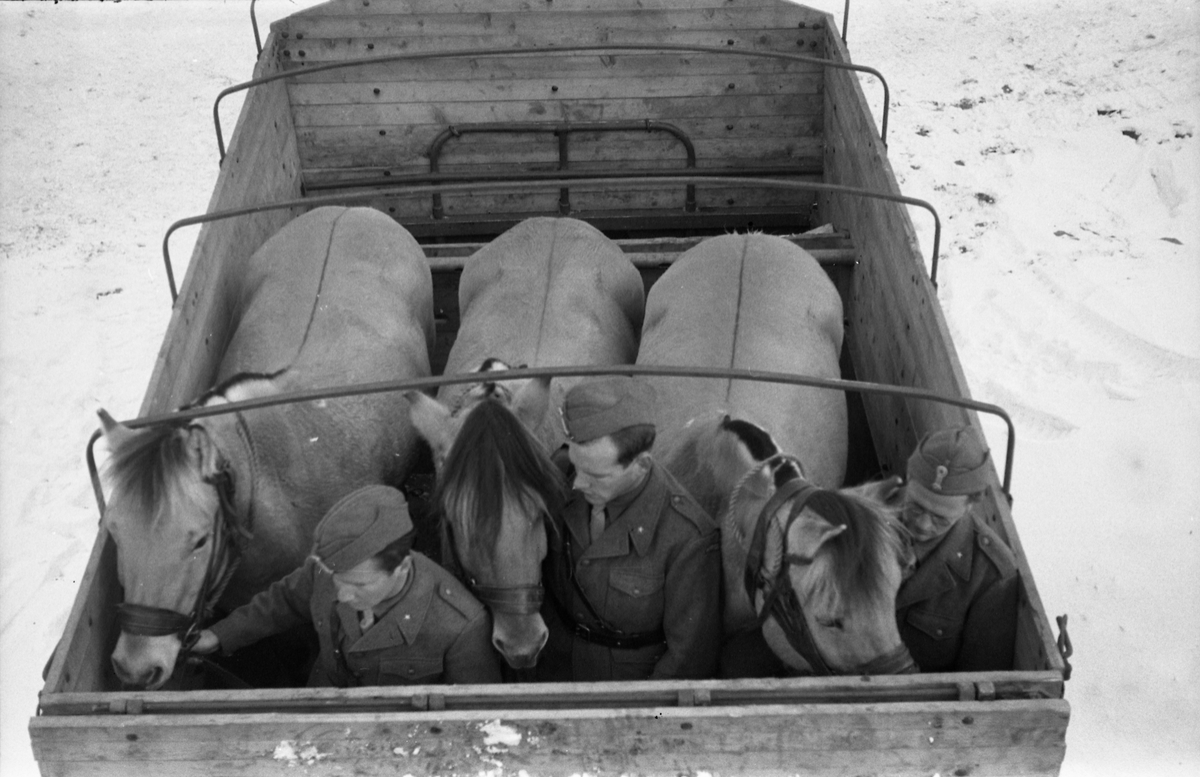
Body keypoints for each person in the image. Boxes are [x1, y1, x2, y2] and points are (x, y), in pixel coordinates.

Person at [193, 484, 501, 686]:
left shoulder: (463, 627)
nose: (341, 593)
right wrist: (218, 636)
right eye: (337, 581)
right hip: (320, 706)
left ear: (402, 566)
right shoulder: (328, 571)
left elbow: (474, 720)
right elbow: (283, 602)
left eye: (359, 584)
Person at [536, 376, 722, 681]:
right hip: (551, 672)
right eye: (576, 465)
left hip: (627, 691)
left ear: (642, 465)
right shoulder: (560, 477)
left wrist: (645, 720)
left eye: (597, 475)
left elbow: (688, 658)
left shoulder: (686, 537)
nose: (578, 483)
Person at [894, 426, 1019, 672]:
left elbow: (980, 676)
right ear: (909, 480)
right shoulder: (868, 514)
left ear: (970, 505)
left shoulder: (991, 576)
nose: (922, 524)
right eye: (915, 507)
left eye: (940, 518)